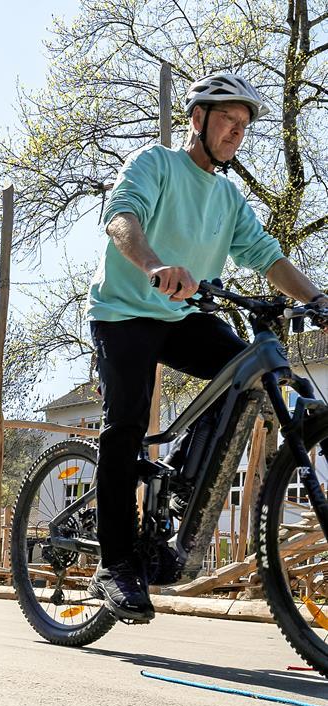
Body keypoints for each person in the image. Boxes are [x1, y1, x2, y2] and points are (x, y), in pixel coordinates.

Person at [85, 72, 328, 623]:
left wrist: (316, 299)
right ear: (197, 119)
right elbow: (120, 217)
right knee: (124, 423)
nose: (235, 134)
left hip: (183, 316)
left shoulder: (227, 197)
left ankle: (177, 471)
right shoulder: (156, 164)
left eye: (243, 127)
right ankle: (115, 564)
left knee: (244, 368)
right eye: (227, 121)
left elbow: (266, 256)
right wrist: (153, 266)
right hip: (125, 313)